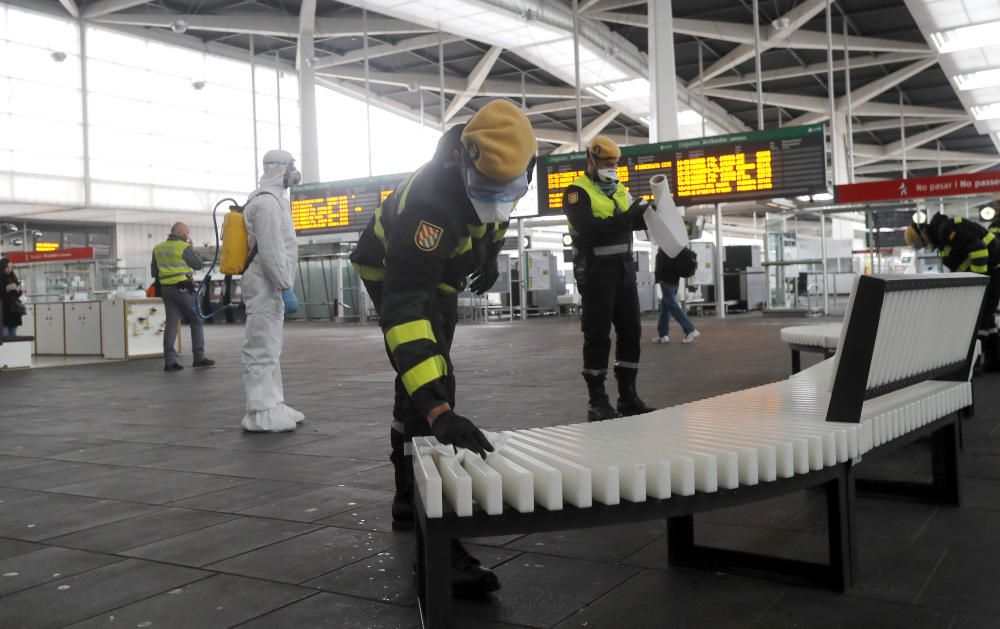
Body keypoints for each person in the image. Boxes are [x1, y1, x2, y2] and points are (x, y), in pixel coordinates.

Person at [351, 98, 535, 598]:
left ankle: (408, 500)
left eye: (509, 191)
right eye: (490, 190)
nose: (500, 198)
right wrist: (438, 408)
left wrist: (490, 253)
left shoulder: (509, 164)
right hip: (396, 273)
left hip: (443, 277)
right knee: (430, 373)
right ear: (463, 158)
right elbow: (406, 312)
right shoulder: (428, 205)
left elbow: (492, 218)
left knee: (416, 379)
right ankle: (436, 553)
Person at [563, 135, 656, 421]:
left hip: (624, 272)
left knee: (631, 333)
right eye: (606, 163)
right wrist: (628, 216)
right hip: (596, 273)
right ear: (591, 161)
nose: (612, 168)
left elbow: (637, 222)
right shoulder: (575, 193)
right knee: (597, 336)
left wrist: (656, 212)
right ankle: (597, 401)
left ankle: (628, 396)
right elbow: (591, 230)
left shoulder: (620, 190)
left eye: (615, 164)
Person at [240, 149, 305, 433]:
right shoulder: (266, 203)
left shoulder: (275, 201)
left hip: (270, 285)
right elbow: (271, 250)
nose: (294, 172)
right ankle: (260, 410)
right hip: (265, 284)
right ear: (280, 169)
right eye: (291, 166)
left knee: (271, 346)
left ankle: (273, 403)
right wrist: (284, 285)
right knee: (261, 346)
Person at [905, 213, 1000, 371]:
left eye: (922, 243)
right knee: (985, 317)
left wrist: (979, 281)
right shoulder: (942, 243)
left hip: (993, 268)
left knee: (982, 316)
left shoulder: (946, 231)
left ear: (924, 234)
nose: (925, 246)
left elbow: (979, 250)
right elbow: (959, 265)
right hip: (989, 270)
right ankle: (993, 361)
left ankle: (974, 364)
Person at [151, 223, 214, 371]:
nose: (188, 234)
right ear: (180, 232)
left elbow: (154, 271)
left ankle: (169, 361)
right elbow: (198, 264)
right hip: (184, 290)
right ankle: (199, 357)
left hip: (166, 291)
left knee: (171, 324)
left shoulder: (158, 248)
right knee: (196, 320)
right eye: (187, 232)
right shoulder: (183, 247)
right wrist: (191, 248)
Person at [652, 247, 699, 344]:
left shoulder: (663, 251)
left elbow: (659, 266)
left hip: (666, 281)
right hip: (674, 281)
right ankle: (663, 335)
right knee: (665, 308)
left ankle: (690, 330)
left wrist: (658, 278)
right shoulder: (674, 249)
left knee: (673, 306)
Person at [1, 257, 24, 337]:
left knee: (13, 333)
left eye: (11, 267)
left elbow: (19, 293)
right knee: (5, 333)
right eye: (8, 267)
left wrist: (18, 290)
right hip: (3, 309)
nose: (10, 269)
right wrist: (6, 289)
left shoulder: (13, 277)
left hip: (13, 309)